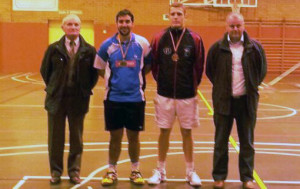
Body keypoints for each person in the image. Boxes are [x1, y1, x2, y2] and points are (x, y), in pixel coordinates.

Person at [206, 12, 267, 189]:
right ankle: (219, 177)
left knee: (247, 142)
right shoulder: (217, 48)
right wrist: (222, 88)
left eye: (238, 25)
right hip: (223, 101)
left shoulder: (255, 48)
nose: (235, 29)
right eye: (231, 26)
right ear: (226, 26)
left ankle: (247, 178)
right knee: (220, 141)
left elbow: (261, 72)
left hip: (246, 102)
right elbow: (210, 72)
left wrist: (250, 87)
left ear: (243, 26)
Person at [148, 2, 205, 187]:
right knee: (163, 132)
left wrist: (189, 87)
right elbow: (155, 67)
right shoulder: (159, 38)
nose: (175, 17)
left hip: (187, 95)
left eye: (179, 14)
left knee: (187, 133)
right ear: (168, 15)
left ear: (185, 15)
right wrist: (163, 83)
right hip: (164, 94)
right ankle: (160, 170)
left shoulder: (195, 39)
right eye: (172, 13)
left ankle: (190, 172)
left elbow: (199, 66)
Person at [93, 9, 151, 186]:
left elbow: (148, 65)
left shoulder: (142, 43)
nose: (124, 25)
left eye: (127, 21)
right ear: (116, 23)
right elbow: (99, 67)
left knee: (134, 138)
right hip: (113, 99)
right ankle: (112, 171)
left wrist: (136, 79)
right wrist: (113, 80)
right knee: (115, 138)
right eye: (121, 21)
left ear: (132, 23)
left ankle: (135, 170)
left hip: (135, 99)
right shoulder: (107, 45)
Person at [40, 14, 98, 185]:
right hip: (56, 99)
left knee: (76, 138)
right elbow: (45, 71)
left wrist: (84, 89)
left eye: (76, 25)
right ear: (63, 28)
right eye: (70, 24)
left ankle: (74, 171)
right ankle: (56, 172)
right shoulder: (53, 49)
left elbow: (93, 75)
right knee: (55, 139)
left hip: (78, 100)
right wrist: (54, 87)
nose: (73, 27)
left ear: (80, 27)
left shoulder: (89, 50)